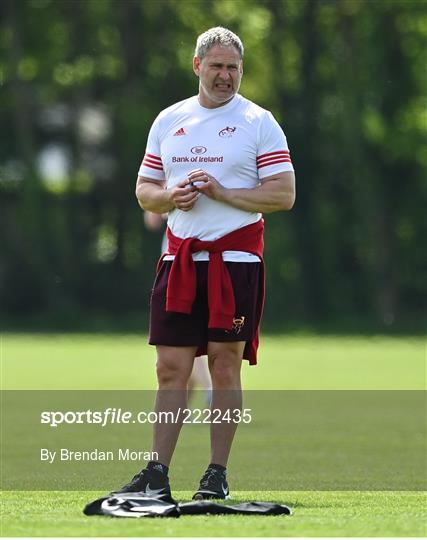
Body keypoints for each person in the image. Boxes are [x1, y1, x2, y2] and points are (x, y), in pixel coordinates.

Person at [115, 26, 295, 502]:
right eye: (216, 66)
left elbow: (283, 194)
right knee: (170, 368)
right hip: (180, 260)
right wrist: (169, 196)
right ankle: (157, 473)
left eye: (233, 67)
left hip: (235, 261)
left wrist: (223, 192)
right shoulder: (170, 120)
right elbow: (144, 191)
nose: (225, 76)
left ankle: (215, 475)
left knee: (224, 366)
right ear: (197, 66)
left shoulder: (259, 121)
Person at [144, 210, 212, 403]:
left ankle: (210, 390)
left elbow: (151, 220)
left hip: (180, 263)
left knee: (186, 338)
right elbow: (152, 217)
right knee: (189, 338)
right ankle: (184, 407)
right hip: (186, 260)